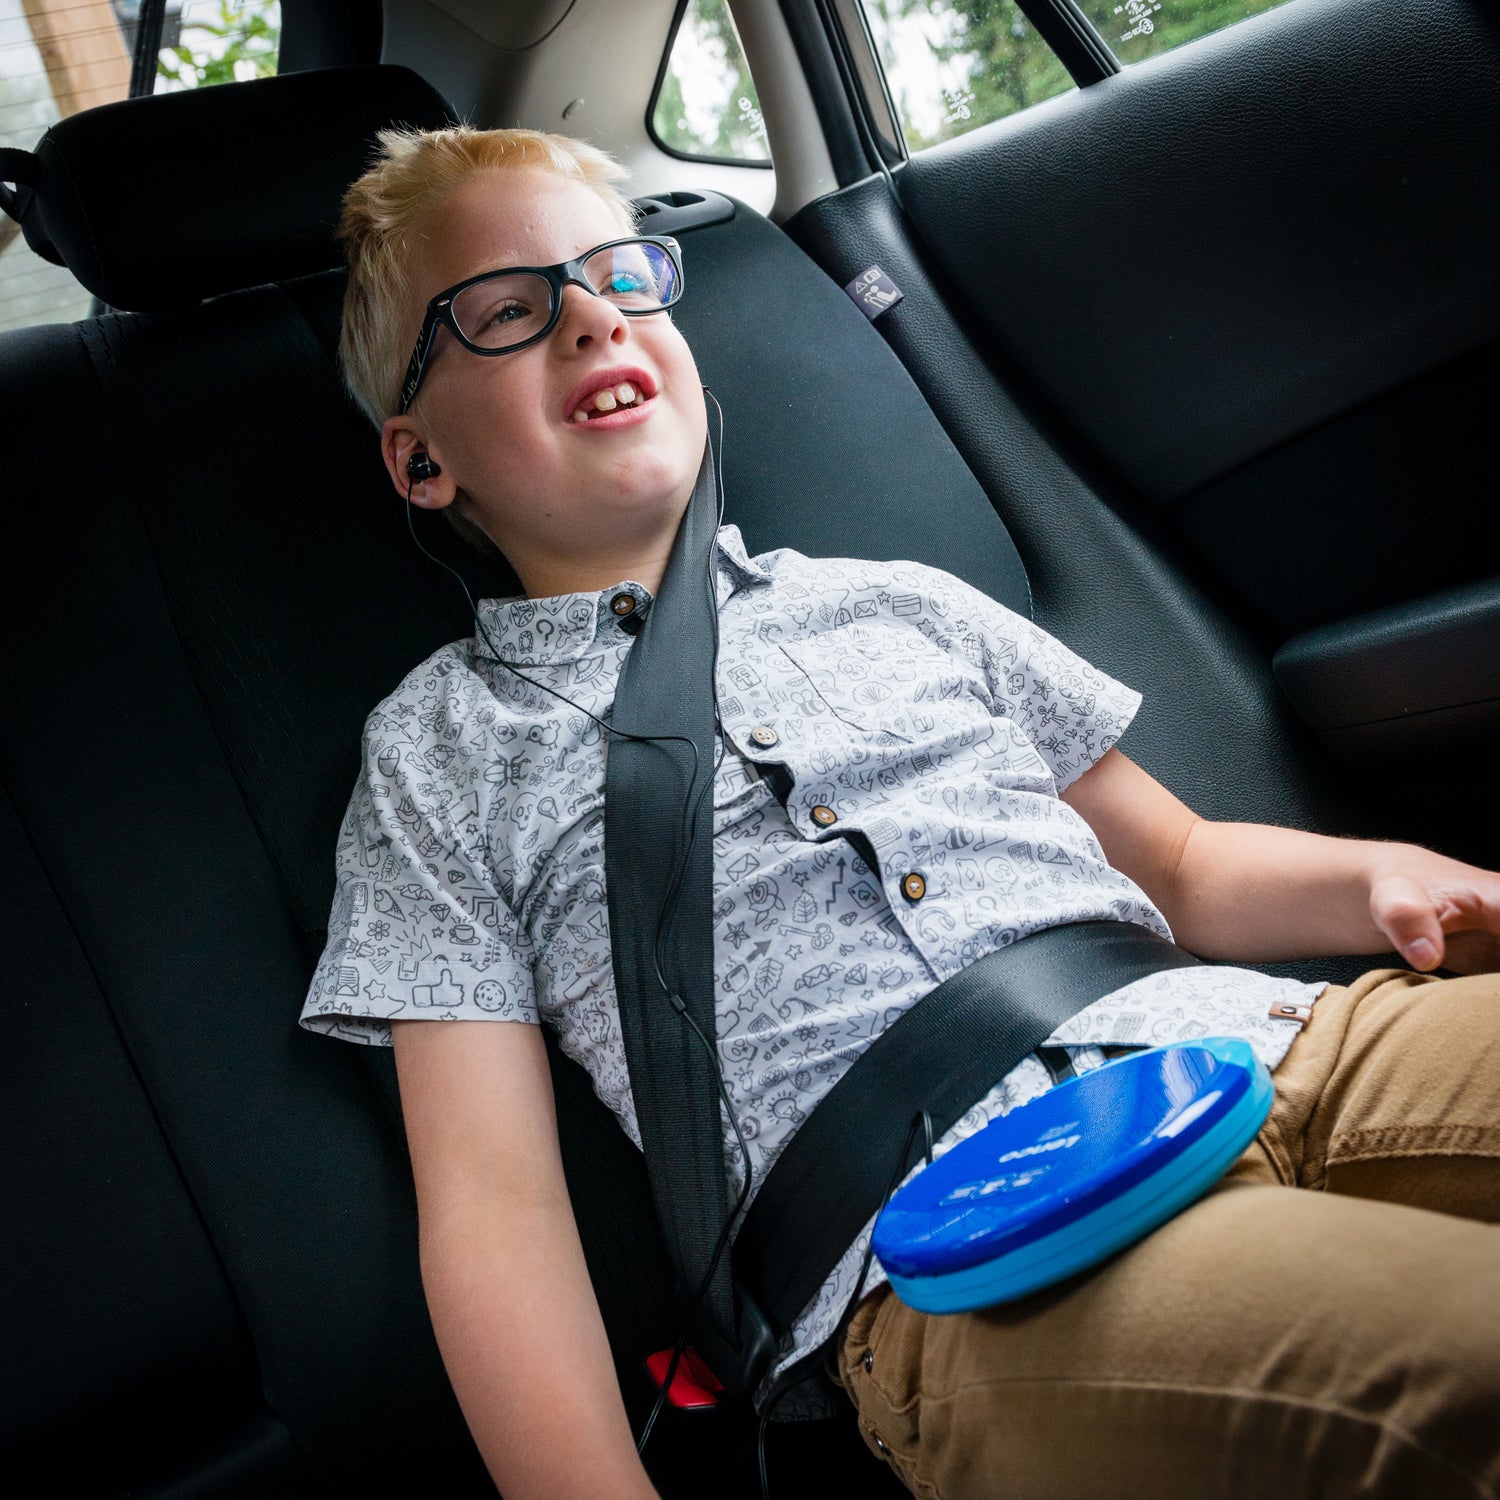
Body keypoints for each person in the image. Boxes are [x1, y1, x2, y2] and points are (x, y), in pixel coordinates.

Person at [300, 124, 1500, 1500]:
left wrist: (1381, 880)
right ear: (420, 463)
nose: (590, 318)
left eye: (621, 277)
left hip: (1279, 1041)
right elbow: (495, 1210)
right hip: (964, 1248)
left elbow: (1183, 861)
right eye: (508, 311)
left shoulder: (895, 601)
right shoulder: (438, 755)